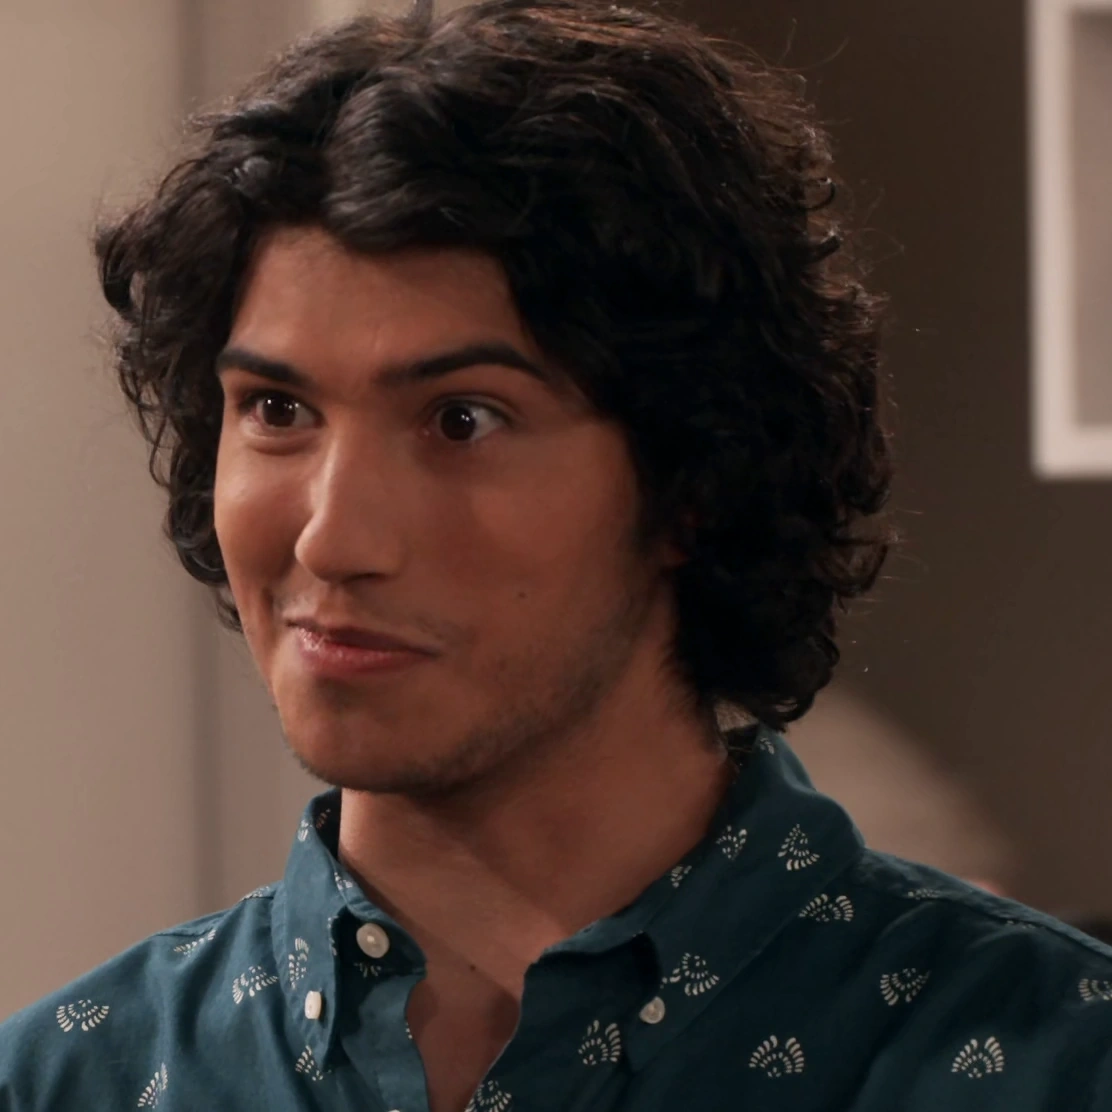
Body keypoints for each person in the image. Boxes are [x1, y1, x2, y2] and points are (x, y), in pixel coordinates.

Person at [2, 0, 1111, 1108]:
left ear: (696, 477)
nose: (331, 536)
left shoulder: (1052, 1061)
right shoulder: (66, 1080)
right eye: (277, 409)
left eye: (462, 420)